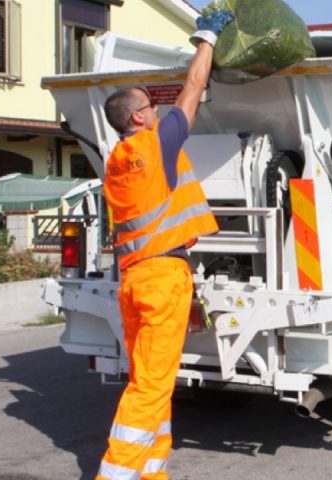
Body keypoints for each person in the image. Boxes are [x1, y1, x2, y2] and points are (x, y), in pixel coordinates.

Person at [96, 7, 234, 480]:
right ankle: (114, 475)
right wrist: (207, 38)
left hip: (134, 281)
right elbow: (193, 89)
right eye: (151, 107)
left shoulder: (117, 160)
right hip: (161, 279)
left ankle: (152, 471)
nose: (159, 111)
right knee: (150, 388)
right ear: (138, 116)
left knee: (149, 382)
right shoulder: (156, 144)